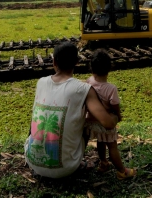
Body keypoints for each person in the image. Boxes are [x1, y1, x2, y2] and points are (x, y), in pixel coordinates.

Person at [24, 42, 116, 178]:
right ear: (77, 62)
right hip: (66, 168)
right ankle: (77, 163)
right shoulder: (83, 89)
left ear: (54, 61)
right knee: (86, 122)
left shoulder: (41, 82)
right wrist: (115, 115)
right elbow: (107, 123)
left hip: (33, 162)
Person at [85, 49, 137, 180]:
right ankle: (121, 171)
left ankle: (103, 162)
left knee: (101, 141)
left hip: (92, 120)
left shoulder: (88, 82)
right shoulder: (111, 88)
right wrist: (118, 115)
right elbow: (115, 105)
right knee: (112, 145)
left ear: (91, 68)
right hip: (106, 121)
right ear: (109, 69)